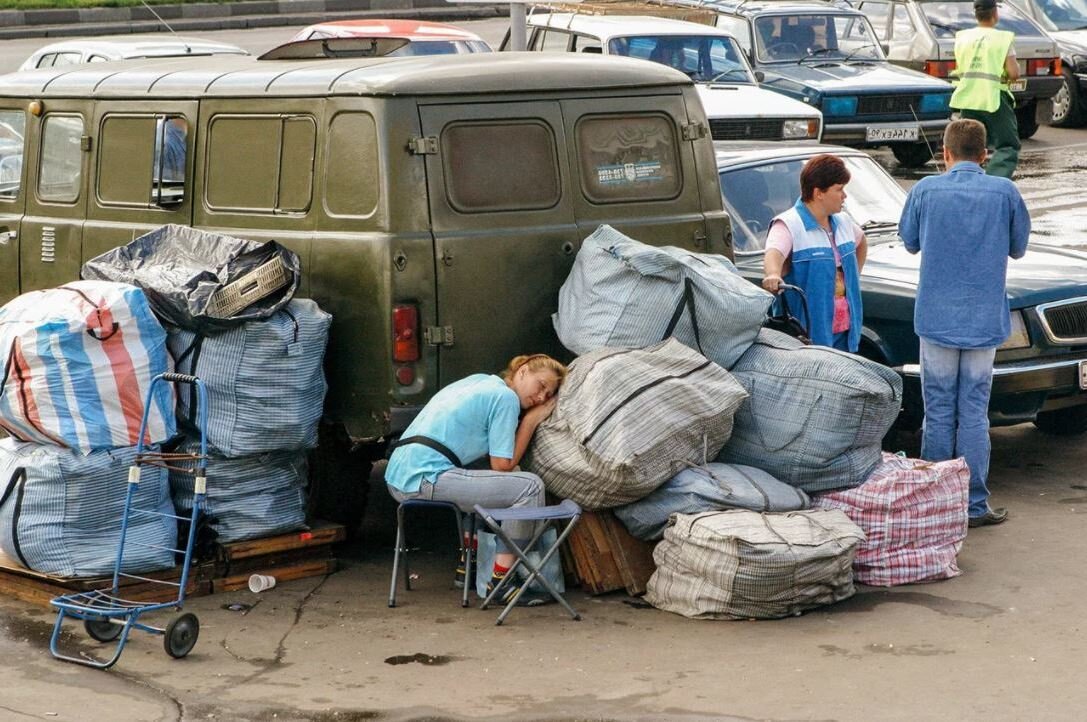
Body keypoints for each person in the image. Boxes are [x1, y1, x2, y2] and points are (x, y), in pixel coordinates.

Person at [898, 118, 1030, 528]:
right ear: (985, 154)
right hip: (983, 320)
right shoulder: (1005, 192)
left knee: (938, 410)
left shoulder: (924, 190)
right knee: (974, 411)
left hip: (936, 318)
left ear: (946, 153)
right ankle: (973, 504)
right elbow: (1019, 248)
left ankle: (937, 507)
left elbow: (909, 241)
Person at [385, 353, 567, 600]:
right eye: (541, 385)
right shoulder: (506, 398)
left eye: (548, 394)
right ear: (523, 371)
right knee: (529, 487)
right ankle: (502, 582)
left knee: (483, 472)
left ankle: (468, 566)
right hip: (425, 476)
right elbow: (502, 465)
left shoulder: (479, 381)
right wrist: (530, 422)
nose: (542, 397)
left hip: (400, 474)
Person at [761, 154, 867, 352]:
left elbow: (861, 242)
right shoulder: (789, 224)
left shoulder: (843, 222)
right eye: (839, 189)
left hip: (845, 332)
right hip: (807, 338)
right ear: (819, 193)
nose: (844, 196)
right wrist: (773, 274)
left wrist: (853, 280)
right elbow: (774, 252)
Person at [950, 0, 1020, 179]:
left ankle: (966, 181)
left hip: (968, 98)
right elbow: (1014, 73)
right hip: (993, 99)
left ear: (976, 15)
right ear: (995, 13)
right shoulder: (1002, 39)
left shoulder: (963, 38)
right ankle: (994, 181)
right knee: (1007, 145)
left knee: (968, 146)